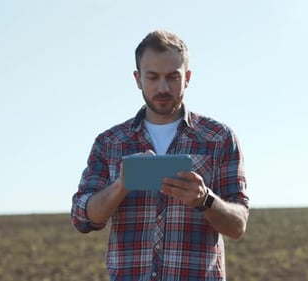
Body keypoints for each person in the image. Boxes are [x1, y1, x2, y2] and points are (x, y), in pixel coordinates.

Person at [71, 30, 249, 281]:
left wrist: (205, 199)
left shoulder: (219, 138)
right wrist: (122, 184)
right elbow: (82, 218)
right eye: (152, 77)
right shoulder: (110, 143)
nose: (163, 88)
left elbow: (238, 224)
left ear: (187, 78)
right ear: (137, 78)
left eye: (172, 77)